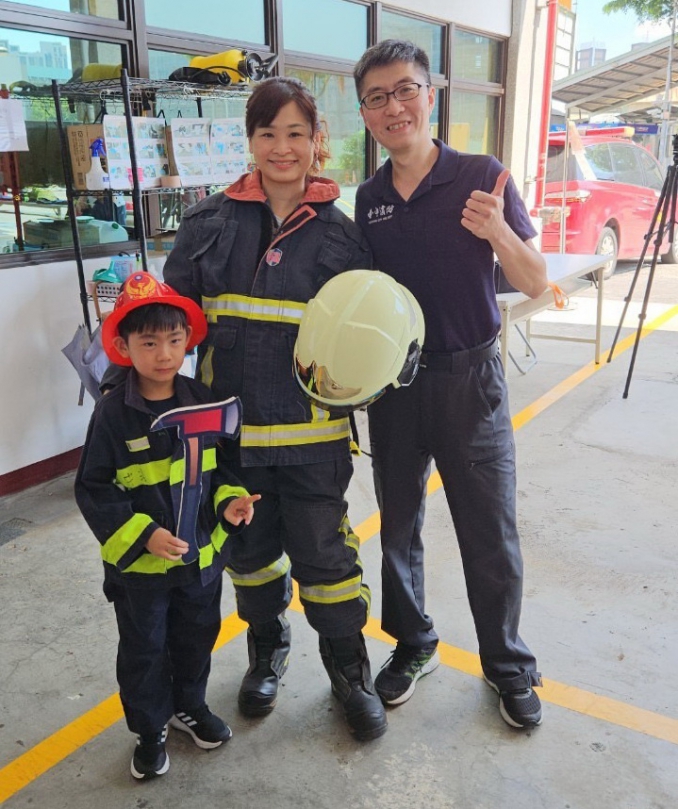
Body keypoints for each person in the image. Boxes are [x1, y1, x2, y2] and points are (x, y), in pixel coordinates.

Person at [162, 77, 387, 741]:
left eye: (296, 133)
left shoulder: (344, 239)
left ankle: (349, 667)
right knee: (250, 555)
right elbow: (171, 325)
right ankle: (267, 647)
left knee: (325, 557)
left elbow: (366, 339)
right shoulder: (206, 224)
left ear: (317, 141)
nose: (282, 147)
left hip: (314, 442)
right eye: (268, 133)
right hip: (233, 446)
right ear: (251, 140)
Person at [352, 40, 548, 729]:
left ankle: (508, 665)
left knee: (488, 529)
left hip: (472, 382)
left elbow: (535, 281)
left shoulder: (481, 175)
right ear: (366, 116)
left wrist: (498, 231)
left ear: (429, 95)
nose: (392, 106)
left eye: (404, 90)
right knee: (398, 525)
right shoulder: (369, 197)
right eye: (376, 97)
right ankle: (414, 642)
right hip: (395, 389)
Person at [75, 272, 260, 780]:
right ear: (124, 346)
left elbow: (221, 470)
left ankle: (188, 707)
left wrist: (229, 505)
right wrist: (144, 534)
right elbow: (93, 488)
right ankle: (150, 728)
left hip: (199, 561)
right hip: (141, 573)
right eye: (149, 342)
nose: (163, 354)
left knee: (196, 637)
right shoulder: (113, 415)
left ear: (188, 342)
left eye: (174, 341)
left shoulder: (204, 401)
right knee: (145, 647)